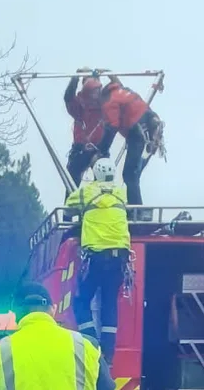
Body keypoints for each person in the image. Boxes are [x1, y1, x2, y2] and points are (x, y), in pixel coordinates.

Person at [66, 158, 130, 365]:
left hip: (96, 257)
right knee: (109, 301)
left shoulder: (86, 191)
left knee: (81, 300)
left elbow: (68, 207)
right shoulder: (121, 192)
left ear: (95, 174)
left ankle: (91, 344)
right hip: (119, 258)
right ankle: (108, 353)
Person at [99, 76, 164, 206]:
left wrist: (102, 151)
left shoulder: (109, 101)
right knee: (134, 175)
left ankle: (136, 210)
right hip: (151, 131)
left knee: (129, 175)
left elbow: (112, 126)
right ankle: (136, 206)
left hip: (138, 134)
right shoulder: (124, 91)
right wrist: (109, 73)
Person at [64, 73, 112, 184]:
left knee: (103, 181)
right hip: (81, 147)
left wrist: (109, 74)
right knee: (72, 179)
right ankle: (73, 200)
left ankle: (101, 199)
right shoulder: (79, 104)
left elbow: (119, 93)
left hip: (100, 148)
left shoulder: (104, 104)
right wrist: (75, 77)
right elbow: (68, 97)